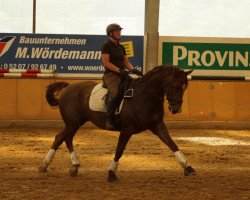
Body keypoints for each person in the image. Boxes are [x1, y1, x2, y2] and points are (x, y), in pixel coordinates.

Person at [101, 23, 143, 130]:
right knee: (115, 94)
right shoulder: (106, 46)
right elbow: (106, 63)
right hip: (111, 75)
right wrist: (119, 70)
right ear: (110, 34)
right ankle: (109, 119)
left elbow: (126, 62)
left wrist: (133, 70)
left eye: (120, 31)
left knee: (135, 88)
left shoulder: (121, 47)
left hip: (122, 74)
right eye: (117, 31)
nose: (119, 33)